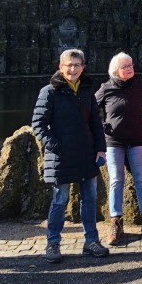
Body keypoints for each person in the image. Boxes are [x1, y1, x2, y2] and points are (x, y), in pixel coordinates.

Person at [32, 49, 109, 264]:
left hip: (86, 153)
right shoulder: (49, 92)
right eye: (69, 65)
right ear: (61, 66)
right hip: (62, 155)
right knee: (59, 200)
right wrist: (56, 145)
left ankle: (91, 241)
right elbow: (38, 125)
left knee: (90, 199)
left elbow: (95, 122)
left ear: (83, 68)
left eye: (77, 65)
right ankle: (53, 243)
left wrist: (100, 149)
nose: (73, 69)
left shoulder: (87, 91)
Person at [96, 52, 142, 245]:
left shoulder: (139, 85)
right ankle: (116, 222)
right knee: (116, 180)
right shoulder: (106, 88)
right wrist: (100, 125)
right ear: (116, 71)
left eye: (131, 64)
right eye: (125, 66)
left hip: (137, 139)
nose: (130, 68)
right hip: (113, 141)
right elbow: (90, 109)